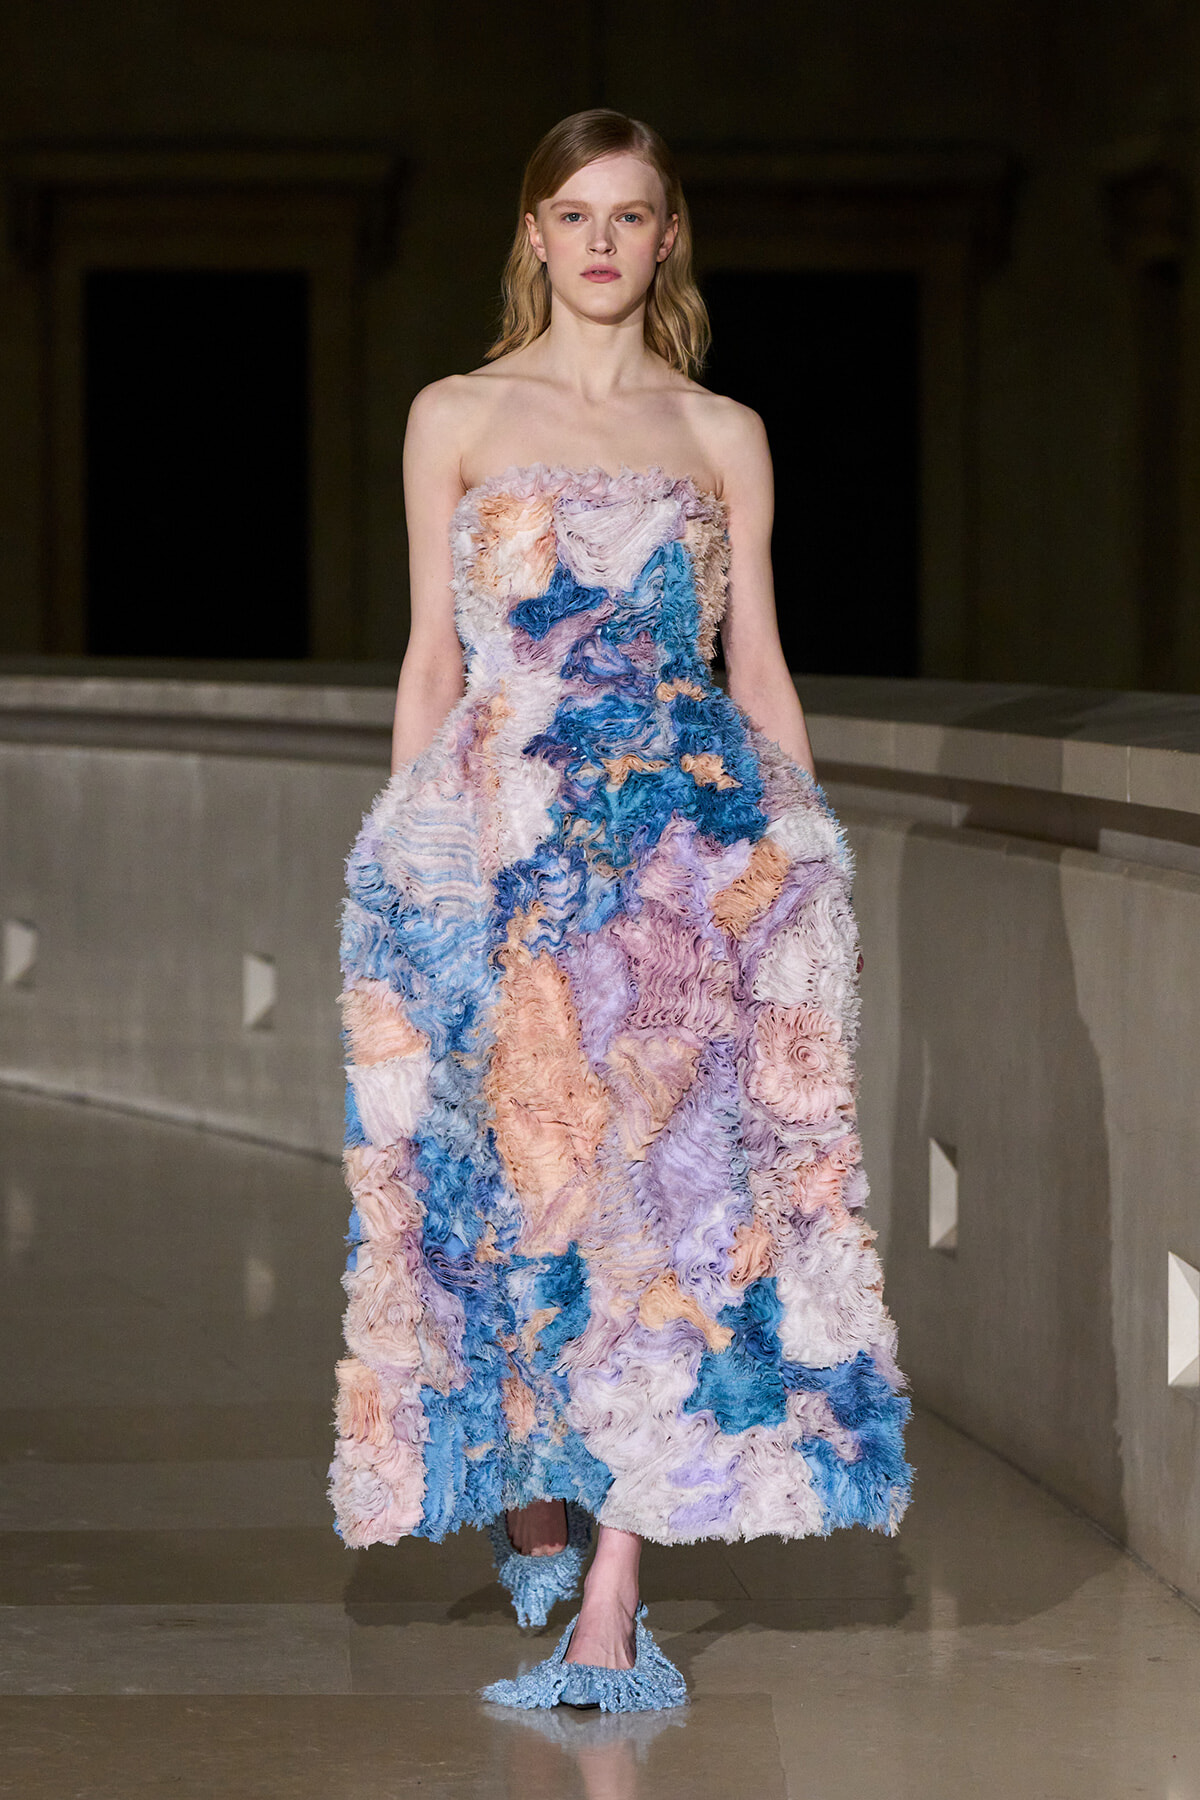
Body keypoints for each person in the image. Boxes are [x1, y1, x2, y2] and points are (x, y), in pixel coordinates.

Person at [329, 107, 912, 1714]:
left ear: (667, 241)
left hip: (680, 864)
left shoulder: (724, 435)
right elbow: (436, 664)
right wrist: (413, 854)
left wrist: (802, 866)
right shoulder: (452, 413)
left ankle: (614, 1597)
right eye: (573, 212)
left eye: (630, 214)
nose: (599, 239)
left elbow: (759, 667)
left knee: (672, 1209)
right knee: (512, 1188)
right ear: (532, 233)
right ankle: (529, 1481)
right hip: (505, 854)